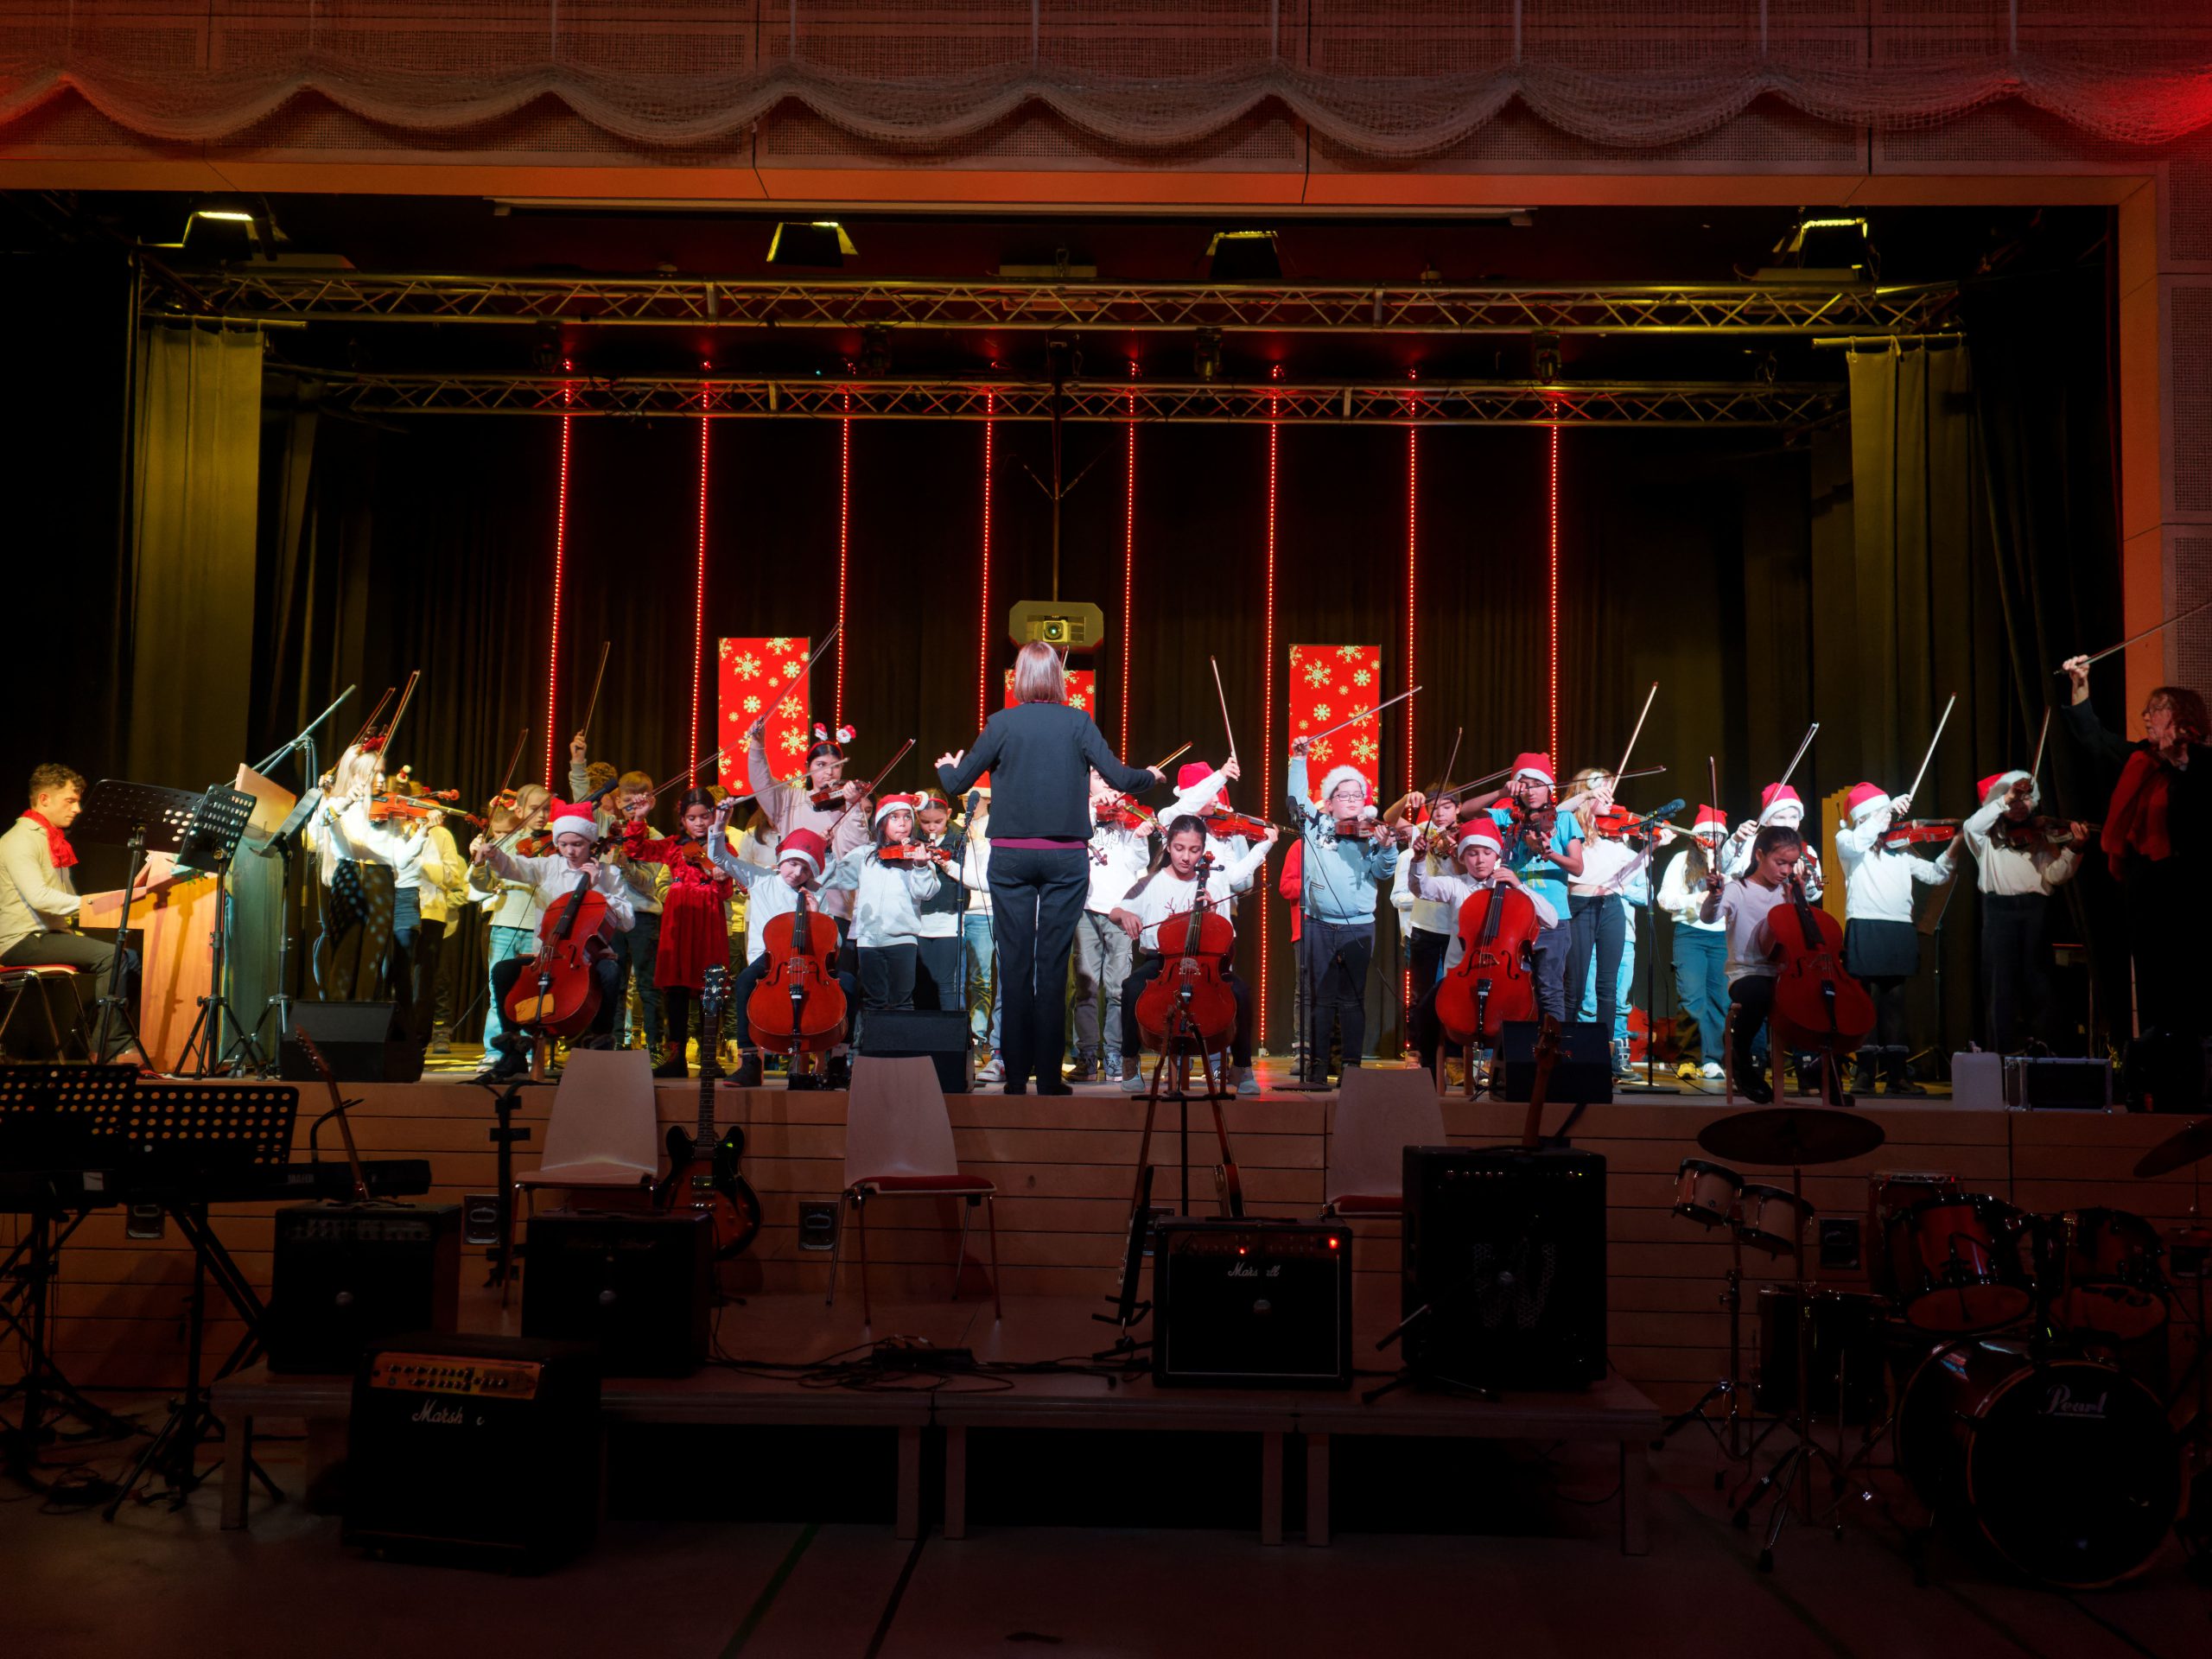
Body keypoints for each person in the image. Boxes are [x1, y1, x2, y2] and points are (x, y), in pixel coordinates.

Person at [936, 641, 1159, 1097]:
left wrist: (946, 768)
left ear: (1019, 677)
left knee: (1015, 964)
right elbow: (1121, 778)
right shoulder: (1078, 722)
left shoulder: (1001, 723)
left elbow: (958, 783)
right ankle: (1051, 1079)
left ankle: (1017, 1077)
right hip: (1064, 859)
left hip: (1012, 858)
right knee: (1053, 966)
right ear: (1057, 677)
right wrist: (1150, 777)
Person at [2061, 658, 2212, 1052]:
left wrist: (2181, 764)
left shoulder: (2203, 765)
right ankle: (2154, 1043)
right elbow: (2093, 738)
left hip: (2188, 884)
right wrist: (2080, 684)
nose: (2146, 715)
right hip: (2145, 881)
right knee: (2149, 966)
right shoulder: (2141, 759)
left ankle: (2191, 1047)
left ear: (2181, 717)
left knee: (2187, 969)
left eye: (2156, 709)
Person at [1110, 814, 1278, 1096]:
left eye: (1194, 850)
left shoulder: (1211, 883)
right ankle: (1130, 1060)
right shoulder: (1151, 883)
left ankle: (1241, 1066)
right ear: (1168, 846)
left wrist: (1212, 914)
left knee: (1241, 991)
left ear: (1203, 850)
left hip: (1205, 963)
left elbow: (1225, 939)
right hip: (1162, 962)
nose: (1186, 857)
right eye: (1179, 848)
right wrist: (1125, 915)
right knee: (1132, 987)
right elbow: (1116, 910)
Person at [469, 798, 636, 1080]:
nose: (570, 851)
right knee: (502, 971)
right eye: (564, 844)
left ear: (590, 842)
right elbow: (513, 867)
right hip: (547, 955)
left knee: (611, 972)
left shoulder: (609, 873)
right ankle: (513, 1051)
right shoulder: (548, 867)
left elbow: (628, 921)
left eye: (578, 844)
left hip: (589, 958)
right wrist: (495, 855)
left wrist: (599, 890)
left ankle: (600, 1043)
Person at [708, 819, 861, 1090]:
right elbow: (719, 857)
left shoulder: (816, 891)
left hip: (809, 960)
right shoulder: (761, 878)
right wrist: (719, 827)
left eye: (805, 869)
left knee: (848, 983)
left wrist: (817, 916)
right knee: (745, 981)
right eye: (793, 863)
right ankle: (750, 1062)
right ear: (782, 859)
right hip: (770, 959)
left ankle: (838, 1060)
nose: (797, 873)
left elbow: (834, 941)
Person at [1286, 739, 1404, 1085]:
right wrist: (1299, 760)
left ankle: (1351, 1069)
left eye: (1358, 795)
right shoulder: (1314, 826)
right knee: (1320, 1000)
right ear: (1329, 802)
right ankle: (1318, 1067)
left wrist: (1387, 848)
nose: (1353, 801)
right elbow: (1296, 799)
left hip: (1359, 926)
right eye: (1345, 795)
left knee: (1352, 1000)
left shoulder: (1372, 833)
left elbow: (1382, 873)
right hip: (1319, 925)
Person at [0, 764, 143, 1050]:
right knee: (113, 957)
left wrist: (110, 906)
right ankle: (111, 1045)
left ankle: (92, 1041)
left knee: (131, 959)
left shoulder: (50, 839)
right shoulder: (20, 839)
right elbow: (40, 898)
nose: (78, 809)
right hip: (21, 940)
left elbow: (64, 902)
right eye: (70, 801)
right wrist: (96, 903)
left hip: (48, 936)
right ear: (44, 799)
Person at [1406, 816, 1560, 1080]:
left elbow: (1551, 920)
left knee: (1526, 1016)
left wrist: (1519, 886)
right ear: (1463, 857)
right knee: (1424, 1012)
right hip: (1461, 977)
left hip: (1505, 978)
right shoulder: (1456, 886)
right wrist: (1418, 860)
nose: (1480, 860)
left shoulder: (1512, 889)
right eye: (1472, 853)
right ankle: (1430, 1076)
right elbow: (1421, 888)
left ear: (1497, 855)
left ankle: (1513, 1078)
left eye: (1487, 853)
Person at [1834, 780, 1957, 1094]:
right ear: (1863, 816)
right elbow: (1856, 842)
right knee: (1865, 1004)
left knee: (1894, 1004)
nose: (1888, 818)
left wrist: (1956, 845)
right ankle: (1864, 1073)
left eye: (1887, 812)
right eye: (1879, 812)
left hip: (1898, 928)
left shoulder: (1900, 848)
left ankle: (1897, 1077)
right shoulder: (1848, 839)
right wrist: (1885, 809)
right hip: (1865, 924)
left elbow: (1936, 874)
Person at [1959, 768, 2083, 1053]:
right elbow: (1970, 827)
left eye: (2026, 799)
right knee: (1999, 987)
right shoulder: (1985, 839)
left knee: (2040, 985)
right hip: (1998, 912)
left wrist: (2074, 849)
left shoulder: (2040, 835)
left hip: (2035, 911)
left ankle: (2043, 1053)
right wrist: (2006, 798)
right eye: (2014, 800)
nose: (2019, 806)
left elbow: (2054, 875)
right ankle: (2001, 1055)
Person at [620, 785, 737, 1078]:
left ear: (714, 816)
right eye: (691, 818)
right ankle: (676, 1057)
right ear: (682, 820)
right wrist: (639, 817)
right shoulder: (674, 846)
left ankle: (709, 1056)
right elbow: (635, 849)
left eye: (705, 816)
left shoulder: (723, 848)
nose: (699, 823)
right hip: (678, 919)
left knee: (710, 986)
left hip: (708, 920)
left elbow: (726, 893)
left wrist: (721, 875)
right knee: (675, 989)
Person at [571, 734, 666, 1062]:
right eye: (626, 798)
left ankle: (655, 1047)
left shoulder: (654, 836)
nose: (631, 803)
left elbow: (649, 883)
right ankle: (610, 1043)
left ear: (650, 801)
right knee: (612, 981)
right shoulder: (607, 827)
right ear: (618, 798)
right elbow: (581, 803)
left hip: (642, 917)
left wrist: (626, 865)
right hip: (609, 916)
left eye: (639, 798)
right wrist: (578, 764)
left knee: (648, 985)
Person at [1700, 823, 1808, 1105]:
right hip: (1746, 972)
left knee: (1818, 994)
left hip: (1785, 973)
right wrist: (1715, 895)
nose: (1786, 870)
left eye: (1791, 864)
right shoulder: (1739, 889)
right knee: (1759, 992)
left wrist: (1801, 900)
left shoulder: (1789, 891)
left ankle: (1818, 1067)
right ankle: (1741, 1057)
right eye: (1780, 862)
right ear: (1759, 855)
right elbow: (1709, 918)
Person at [824, 795, 947, 1033]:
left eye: (907, 817)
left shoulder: (917, 854)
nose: (903, 823)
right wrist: (828, 852)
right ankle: (869, 1051)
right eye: (894, 817)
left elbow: (926, 892)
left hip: (903, 939)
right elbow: (835, 879)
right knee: (873, 1001)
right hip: (868, 939)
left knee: (902, 1001)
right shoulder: (865, 854)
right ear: (882, 823)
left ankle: (900, 1051)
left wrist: (921, 866)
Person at [748, 717, 870, 934]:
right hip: (789, 902)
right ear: (808, 767)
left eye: (836, 767)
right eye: (821, 765)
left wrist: (853, 805)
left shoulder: (848, 805)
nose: (829, 772)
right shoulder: (789, 799)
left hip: (834, 906)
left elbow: (856, 849)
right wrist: (757, 745)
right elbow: (761, 781)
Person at [1487, 754, 1582, 1021]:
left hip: (1554, 919)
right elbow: (1468, 812)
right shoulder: (1508, 817)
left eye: (1537, 784)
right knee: (1514, 988)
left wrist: (1550, 853)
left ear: (1550, 787)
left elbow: (1577, 867)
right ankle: (1519, 1044)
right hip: (1514, 915)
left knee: (1550, 989)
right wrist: (1501, 792)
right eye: (1524, 785)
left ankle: (1552, 1045)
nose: (1531, 791)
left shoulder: (1563, 819)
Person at [469, 784, 551, 1065]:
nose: (542, 816)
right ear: (519, 810)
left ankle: (527, 1051)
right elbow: (482, 885)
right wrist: (479, 862)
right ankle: (496, 1051)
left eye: (547, 810)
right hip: (505, 922)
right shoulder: (505, 841)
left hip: (539, 927)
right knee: (498, 991)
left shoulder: (555, 842)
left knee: (531, 993)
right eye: (535, 809)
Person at [1560, 767, 1633, 1073]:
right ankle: (1564, 1052)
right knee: (1574, 987)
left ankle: (1603, 1055)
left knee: (1608, 987)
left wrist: (1653, 847)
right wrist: (1587, 795)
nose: (1610, 799)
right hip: (1579, 904)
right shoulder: (1568, 826)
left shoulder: (1614, 836)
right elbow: (1556, 812)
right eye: (1603, 792)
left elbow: (1626, 877)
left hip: (1611, 905)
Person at [1656, 807, 1730, 1081]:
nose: (1711, 839)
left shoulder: (1730, 861)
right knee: (1691, 998)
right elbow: (1664, 899)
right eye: (1705, 833)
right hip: (1690, 934)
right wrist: (1693, 900)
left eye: (1717, 834)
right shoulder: (1682, 860)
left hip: (1722, 936)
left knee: (1720, 1000)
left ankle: (1712, 1060)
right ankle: (1689, 1057)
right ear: (1696, 835)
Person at [1389, 790, 1462, 1001]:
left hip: (1456, 926)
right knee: (1420, 996)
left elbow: (1468, 874)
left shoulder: (1465, 835)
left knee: (1454, 995)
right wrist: (1405, 799)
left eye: (1447, 807)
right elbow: (1390, 818)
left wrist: (1453, 852)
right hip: (1424, 926)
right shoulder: (1423, 831)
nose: (1439, 814)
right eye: (1433, 808)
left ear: (1458, 808)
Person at [910, 791, 968, 1017]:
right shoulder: (912, 837)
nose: (932, 827)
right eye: (925, 822)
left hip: (948, 918)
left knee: (946, 984)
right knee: (922, 983)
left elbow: (966, 875)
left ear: (949, 814)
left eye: (938, 821)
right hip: (919, 918)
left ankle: (947, 1032)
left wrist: (946, 863)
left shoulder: (959, 837)